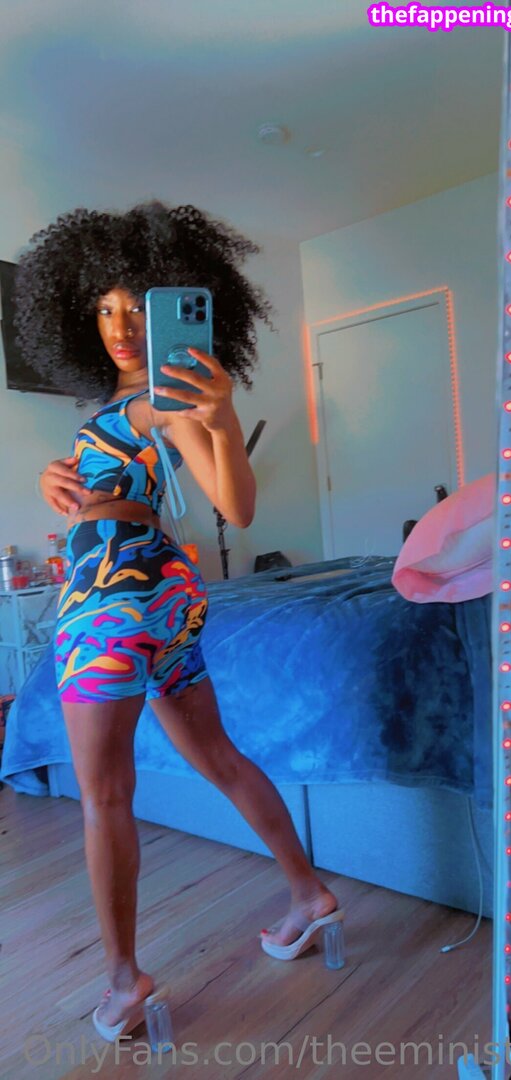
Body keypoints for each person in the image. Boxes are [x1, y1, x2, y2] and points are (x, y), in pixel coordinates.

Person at [15, 202, 343, 1041]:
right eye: (105, 309)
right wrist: (62, 476)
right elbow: (116, 482)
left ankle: (124, 983)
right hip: (163, 592)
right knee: (218, 757)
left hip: (110, 598)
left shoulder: (165, 398)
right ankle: (309, 894)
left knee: (104, 794)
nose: (122, 326)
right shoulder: (121, 406)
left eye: (137, 307)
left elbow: (236, 502)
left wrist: (222, 418)